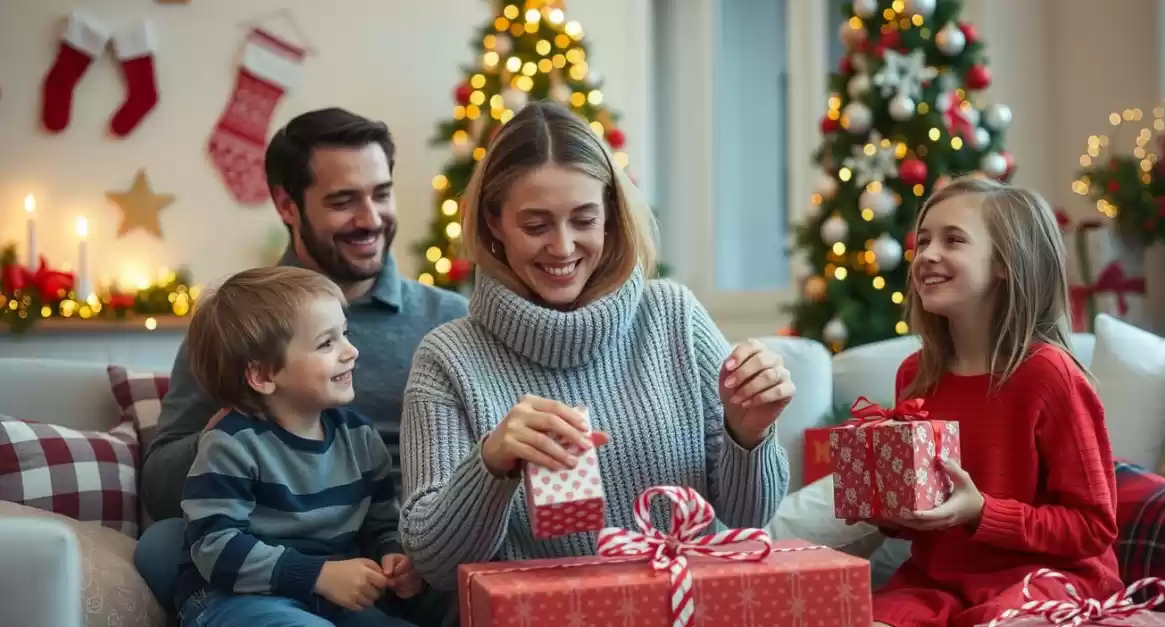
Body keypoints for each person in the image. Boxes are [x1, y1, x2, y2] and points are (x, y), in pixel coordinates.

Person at [397, 101, 794, 599]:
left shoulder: (673, 315)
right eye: (536, 226)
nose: (563, 248)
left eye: (583, 220)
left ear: (610, 214)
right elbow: (433, 562)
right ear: (494, 223)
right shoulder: (447, 358)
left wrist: (749, 434)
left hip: (692, 603)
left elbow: (749, 516)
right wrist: (491, 464)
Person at [133, 107, 467, 624]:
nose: (371, 218)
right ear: (287, 204)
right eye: (343, 201)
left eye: (381, 193)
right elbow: (160, 486)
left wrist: (399, 551)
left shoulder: (450, 319)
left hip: (397, 554)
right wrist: (247, 427)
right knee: (163, 544)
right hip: (264, 539)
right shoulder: (239, 324)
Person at [865, 176, 1122, 627]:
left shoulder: (1049, 376)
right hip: (937, 582)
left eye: (953, 240)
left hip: (1049, 577)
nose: (927, 254)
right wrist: (889, 507)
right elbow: (923, 517)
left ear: (1005, 263)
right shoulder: (915, 374)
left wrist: (983, 512)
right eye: (922, 241)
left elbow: (1093, 527)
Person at [176, 266, 422, 627]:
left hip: (328, 600)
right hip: (233, 599)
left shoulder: (361, 439)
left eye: (345, 334)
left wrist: (394, 557)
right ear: (262, 375)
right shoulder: (231, 444)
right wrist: (319, 575)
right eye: (327, 343)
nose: (351, 351)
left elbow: (381, 525)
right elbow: (215, 548)